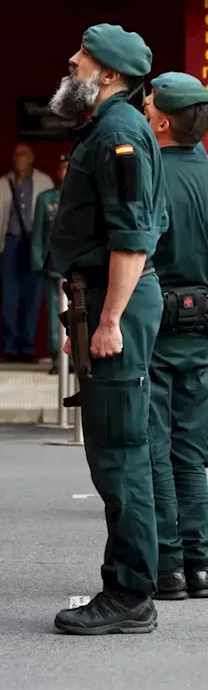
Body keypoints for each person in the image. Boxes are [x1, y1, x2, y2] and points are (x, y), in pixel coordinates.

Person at [46, 24, 165, 635]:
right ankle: (124, 583)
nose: (71, 61)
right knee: (115, 453)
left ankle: (130, 595)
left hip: (118, 301)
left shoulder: (118, 133)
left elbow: (131, 236)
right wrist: (90, 319)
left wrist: (111, 320)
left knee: (120, 454)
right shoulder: (108, 127)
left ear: (109, 75)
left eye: (82, 57)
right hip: (102, 301)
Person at [139, 73, 208, 603]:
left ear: (162, 121)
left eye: (147, 105)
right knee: (193, 451)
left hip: (155, 326)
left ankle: (168, 566)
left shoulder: (148, 172)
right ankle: (201, 563)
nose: (142, 109)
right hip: (203, 328)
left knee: (155, 448)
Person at [0, 144, 56, 362]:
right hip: (9, 243)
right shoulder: (1, 184)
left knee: (33, 296)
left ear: (32, 157)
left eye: (24, 154)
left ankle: (28, 346)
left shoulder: (44, 182)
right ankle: (10, 347)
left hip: (35, 246)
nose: (20, 158)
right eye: (16, 154)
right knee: (9, 296)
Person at [30, 154, 71, 374]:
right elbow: (37, 234)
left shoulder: (86, 196)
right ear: (58, 172)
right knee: (55, 317)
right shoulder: (47, 198)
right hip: (54, 266)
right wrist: (38, 263)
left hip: (80, 267)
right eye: (64, 168)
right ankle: (57, 359)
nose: (67, 172)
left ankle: (76, 360)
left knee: (80, 315)